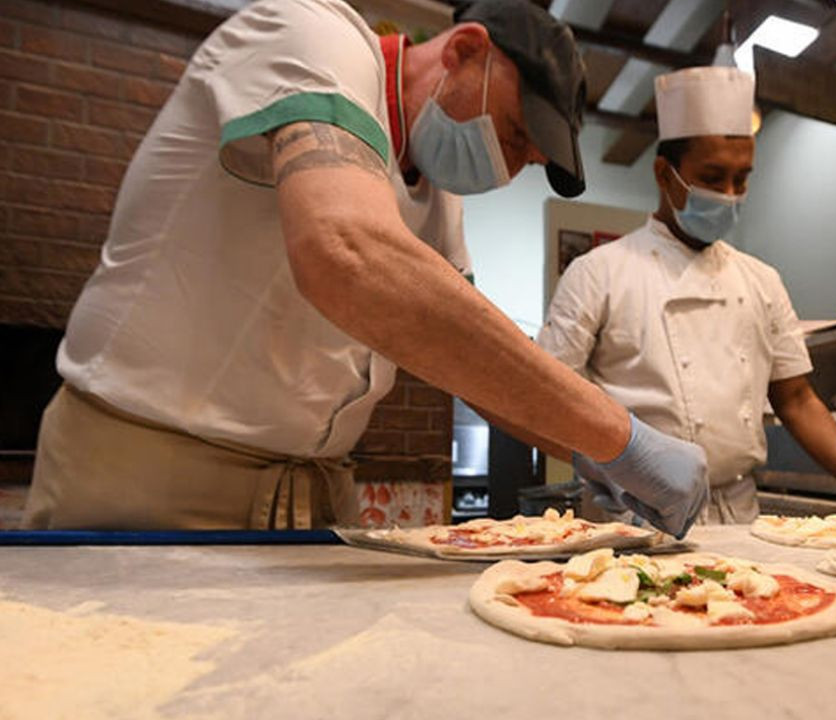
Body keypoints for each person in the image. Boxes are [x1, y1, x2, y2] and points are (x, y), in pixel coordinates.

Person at [21, 0, 707, 536]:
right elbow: (344, 252)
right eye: (515, 134)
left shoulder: (438, 201)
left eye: (527, 159)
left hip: (314, 490)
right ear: (466, 50)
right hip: (149, 475)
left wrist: (583, 445)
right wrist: (619, 435)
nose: (511, 165)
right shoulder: (314, 38)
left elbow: (473, 362)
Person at [538, 66, 836, 524]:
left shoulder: (761, 280)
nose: (730, 195)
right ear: (663, 173)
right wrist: (606, 467)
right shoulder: (599, 273)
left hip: (740, 516)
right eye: (713, 177)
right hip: (631, 514)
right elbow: (548, 395)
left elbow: (796, 398)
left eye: (742, 179)